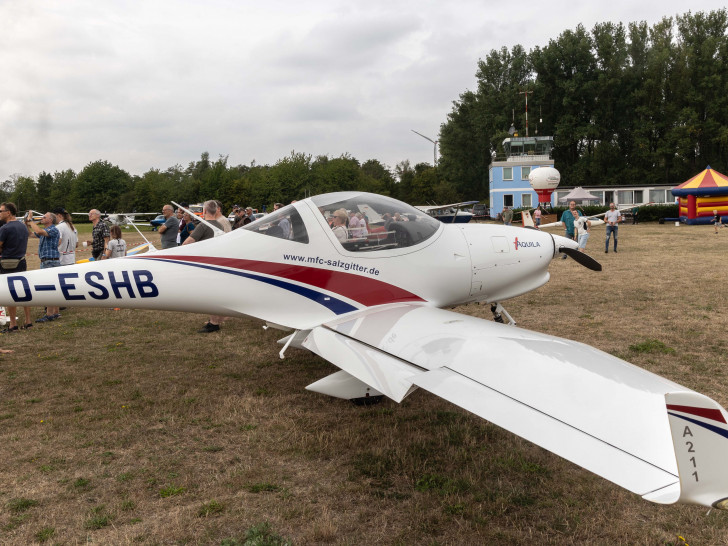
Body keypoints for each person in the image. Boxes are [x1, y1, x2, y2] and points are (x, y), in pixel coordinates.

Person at [181, 201, 226, 333]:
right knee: (215, 293)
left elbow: (187, 243)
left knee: (210, 295)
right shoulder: (219, 225)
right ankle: (214, 321)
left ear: (205, 211)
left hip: (206, 264)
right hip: (216, 262)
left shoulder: (202, 226)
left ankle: (214, 324)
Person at [0, 202, 32, 331]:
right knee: (23, 291)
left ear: (8, 212)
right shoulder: (23, 227)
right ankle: (28, 320)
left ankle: (13, 324)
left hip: (7, 263)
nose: (0, 213)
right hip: (21, 261)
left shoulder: (5, 228)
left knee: (8, 293)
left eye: (1, 211)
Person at [25, 211, 61, 322]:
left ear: (50, 220)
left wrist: (31, 221)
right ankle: (55, 312)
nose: (42, 218)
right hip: (47, 261)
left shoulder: (53, 229)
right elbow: (31, 234)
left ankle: (49, 314)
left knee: (49, 288)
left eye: (44, 217)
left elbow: (39, 231)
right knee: (53, 287)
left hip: (50, 261)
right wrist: (26, 224)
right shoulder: (46, 231)